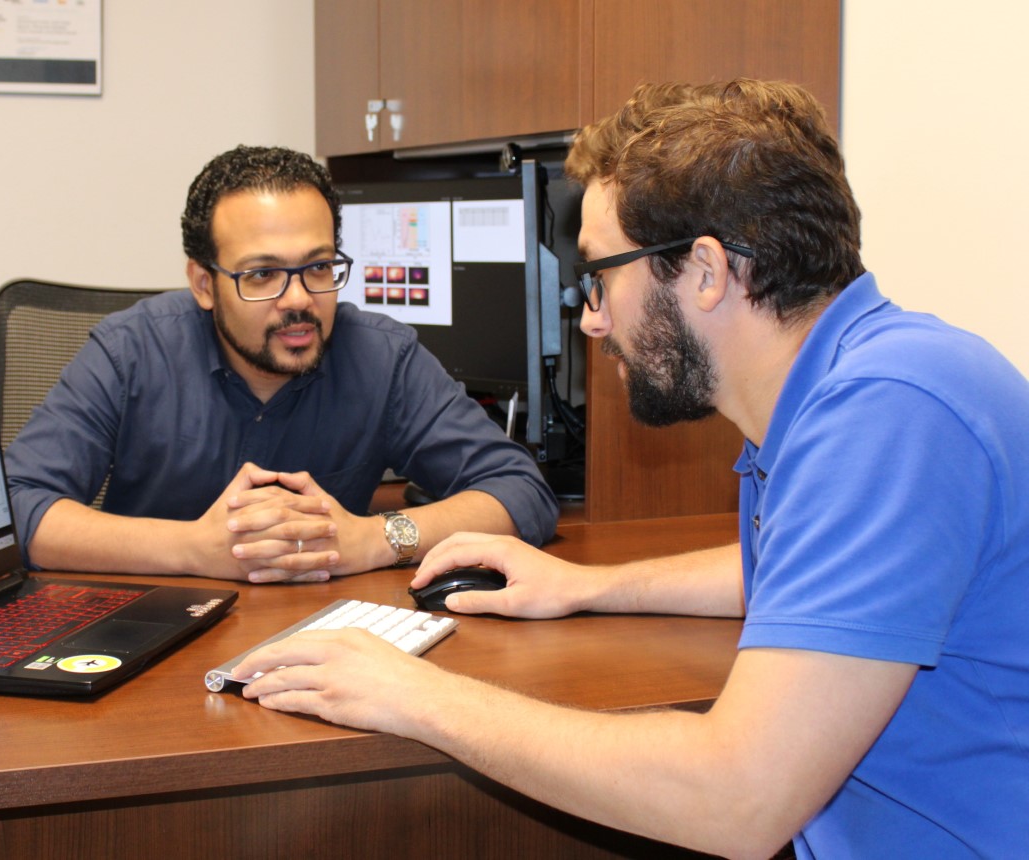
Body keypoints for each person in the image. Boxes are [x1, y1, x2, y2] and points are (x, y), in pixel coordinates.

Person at [233, 81, 1029, 858]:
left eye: (601, 275)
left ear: (708, 271)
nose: (592, 317)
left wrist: (415, 696)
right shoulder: (858, 386)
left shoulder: (889, 412)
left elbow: (737, 800)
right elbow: (804, 576)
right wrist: (585, 587)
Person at [4, 145, 558, 584]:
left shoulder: (381, 357)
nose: (298, 299)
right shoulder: (129, 352)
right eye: (262, 274)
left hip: (328, 638)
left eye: (318, 267)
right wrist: (194, 550)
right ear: (204, 283)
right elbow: (20, 508)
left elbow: (518, 490)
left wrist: (376, 538)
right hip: (151, 633)